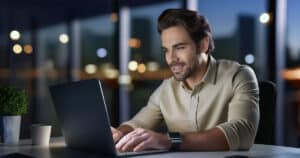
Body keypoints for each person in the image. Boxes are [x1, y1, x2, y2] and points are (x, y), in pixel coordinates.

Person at [111, 8, 259, 152]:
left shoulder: (238, 76)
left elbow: (241, 132)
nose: (171, 59)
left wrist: (169, 140)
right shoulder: (166, 88)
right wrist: (118, 134)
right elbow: (139, 123)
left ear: (203, 44)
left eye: (180, 47)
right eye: (166, 50)